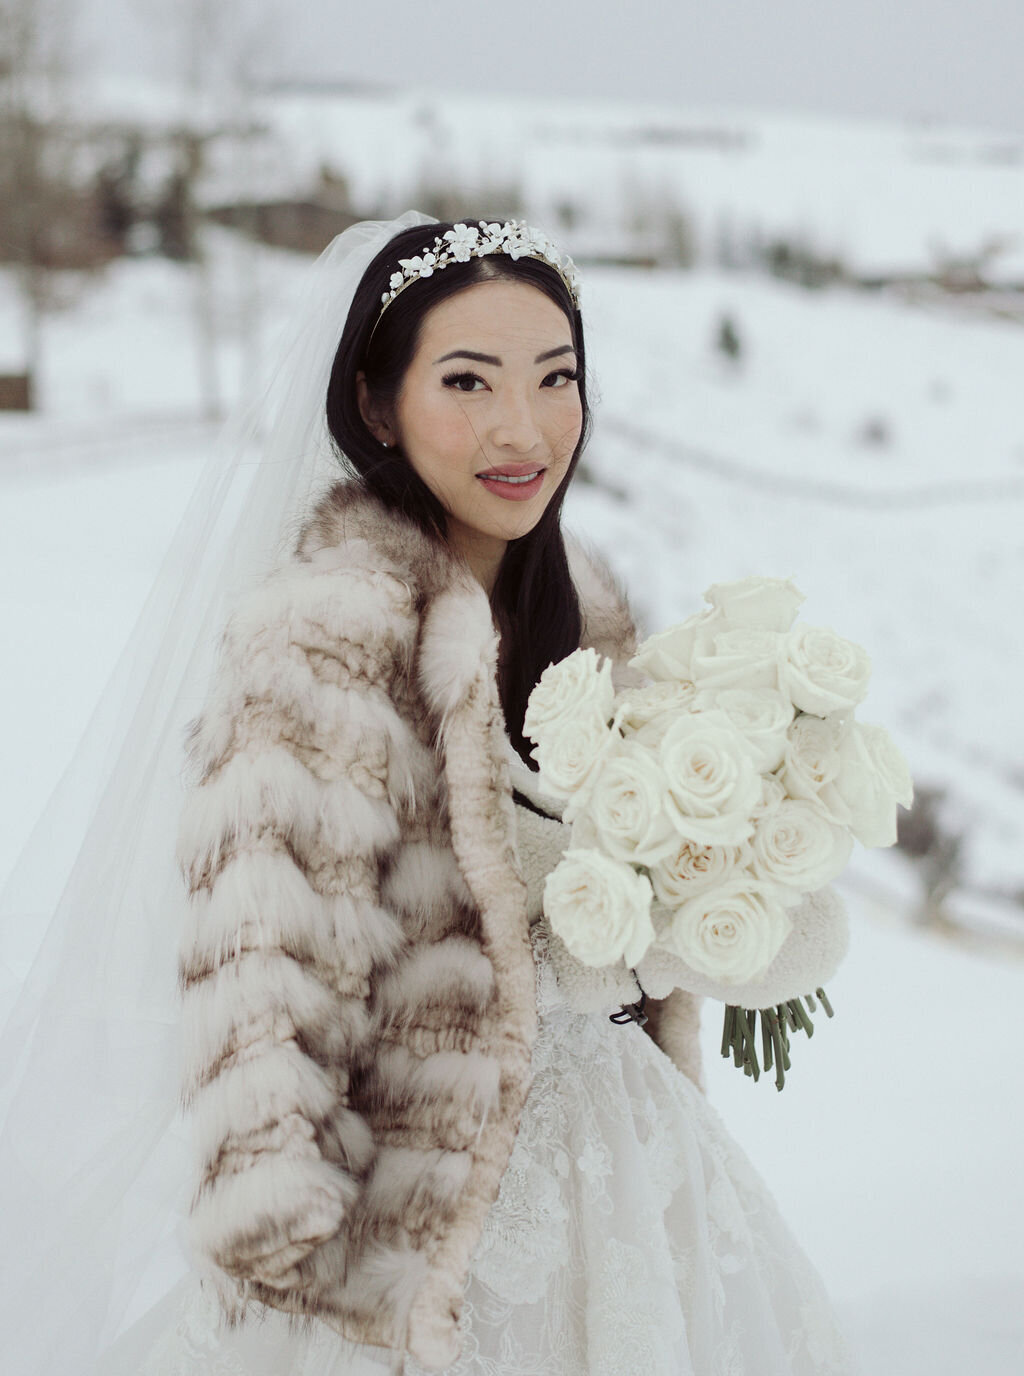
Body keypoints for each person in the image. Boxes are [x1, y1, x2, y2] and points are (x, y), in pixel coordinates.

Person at [0, 212, 854, 1376]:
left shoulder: (587, 623)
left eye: (557, 378)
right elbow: (265, 1008)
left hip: (633, 1185)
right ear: (374, 403)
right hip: (428, 1245)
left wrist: (745, 886)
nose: (524, 426)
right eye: (468, 380)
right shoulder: (324, 645)